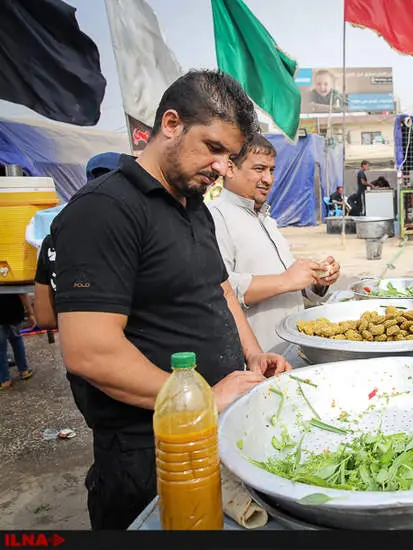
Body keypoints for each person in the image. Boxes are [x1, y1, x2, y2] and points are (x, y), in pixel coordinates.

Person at [51, 70, 292, 530]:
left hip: (215, 429)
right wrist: (201, 396)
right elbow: (89, 350)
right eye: (213, 148)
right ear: (171, 123)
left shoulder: (193, 205)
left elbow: (219, 291)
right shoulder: (104, 210)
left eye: (230, 156)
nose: (222, 167)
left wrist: (255, 355)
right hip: (149, 452)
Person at [209, 134, 341, 355]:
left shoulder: (265, 219)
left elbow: (288, 283)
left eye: (271, 170)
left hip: (289, 352)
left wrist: (316, 281)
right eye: (259, 169)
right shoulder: (216, 217)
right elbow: (219, 290)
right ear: (230, 168)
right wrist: (285, 280)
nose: (268, 179)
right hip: (256, 359)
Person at [34, 154, 122, 332]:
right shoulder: (132, 236)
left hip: (76, 347)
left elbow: (45, 319)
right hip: (129, 348)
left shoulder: (53, 240)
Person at [0, 294, 35, 389]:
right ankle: (24, 371)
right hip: (13, 312)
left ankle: (4, 380)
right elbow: (22, 293)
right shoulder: (12, 278)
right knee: (16, 339)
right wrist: (30, 313)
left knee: (1, 349)